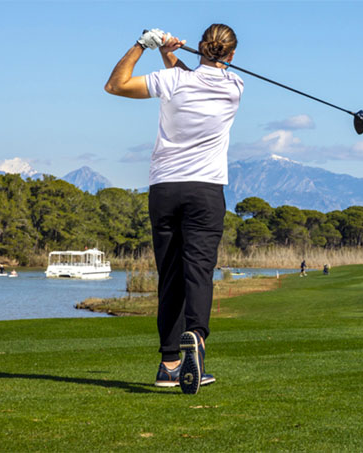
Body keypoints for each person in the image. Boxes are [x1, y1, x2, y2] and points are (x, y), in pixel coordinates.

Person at [105, 25, 243, 394]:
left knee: (169, 274)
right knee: (198, 271)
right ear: (230, 57)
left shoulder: (172, 81)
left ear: (201, 48)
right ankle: (195, 337)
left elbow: (116, 85)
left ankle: (168, 364)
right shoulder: (234, 89)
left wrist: (142, 45)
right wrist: (171, 53)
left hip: (164, 189)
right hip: (205, 190)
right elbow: (195, 77)